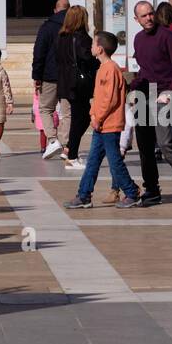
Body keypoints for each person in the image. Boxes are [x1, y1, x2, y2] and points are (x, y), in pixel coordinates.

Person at [63, 31, 141, 210]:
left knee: (114, 161)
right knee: (93, 161)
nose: (90, 47)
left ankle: (131, 192)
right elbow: (98, 97)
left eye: (93, 44)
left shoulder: (110, 69)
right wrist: (93, 114)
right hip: (101, 124)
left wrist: (98, 117)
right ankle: (84, 195)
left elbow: (110, 99)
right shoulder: (102, 69)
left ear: (99, 49)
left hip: (109, 124)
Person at [130, 0, 172, 206]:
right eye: (144, 16)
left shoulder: (167, 36)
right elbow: (143, 71)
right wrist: (132, 89)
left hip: (165, 94)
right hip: (145, 94)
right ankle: (151, 189)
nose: (149, 18)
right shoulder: (138, 39)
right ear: (136, 19)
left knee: (166, 144)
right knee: (144, 146)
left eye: (151, 14)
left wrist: (171, 92)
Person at [55, 5, 97, 170]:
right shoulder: (82, 38)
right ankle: (71, 155)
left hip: (66, 83)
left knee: (79, 117)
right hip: (79, 84)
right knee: (82, 118)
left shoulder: (61, 37)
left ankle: (70, 150)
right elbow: (87, 58)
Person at [33, 0, 69, 158]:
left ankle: (53, 140)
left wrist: (37, 75)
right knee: (68, 112)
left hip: (49, 75)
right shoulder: (74, 26)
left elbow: (39, 52)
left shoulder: (46, 27)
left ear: (55, 10)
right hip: (69, 76)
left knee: (46, 108)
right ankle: (66, 145)